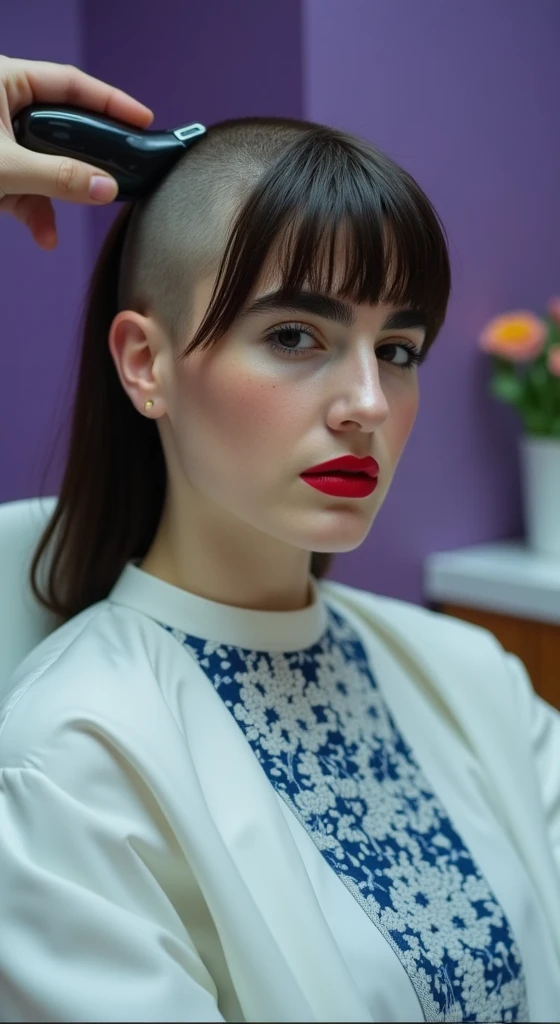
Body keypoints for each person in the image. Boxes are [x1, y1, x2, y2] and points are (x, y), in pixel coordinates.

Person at [0, 53, 559, 1024]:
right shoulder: (71, 760)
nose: (367, 405)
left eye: (396, 349)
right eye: (296, 335)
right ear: (146, 364)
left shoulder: (473, 677)